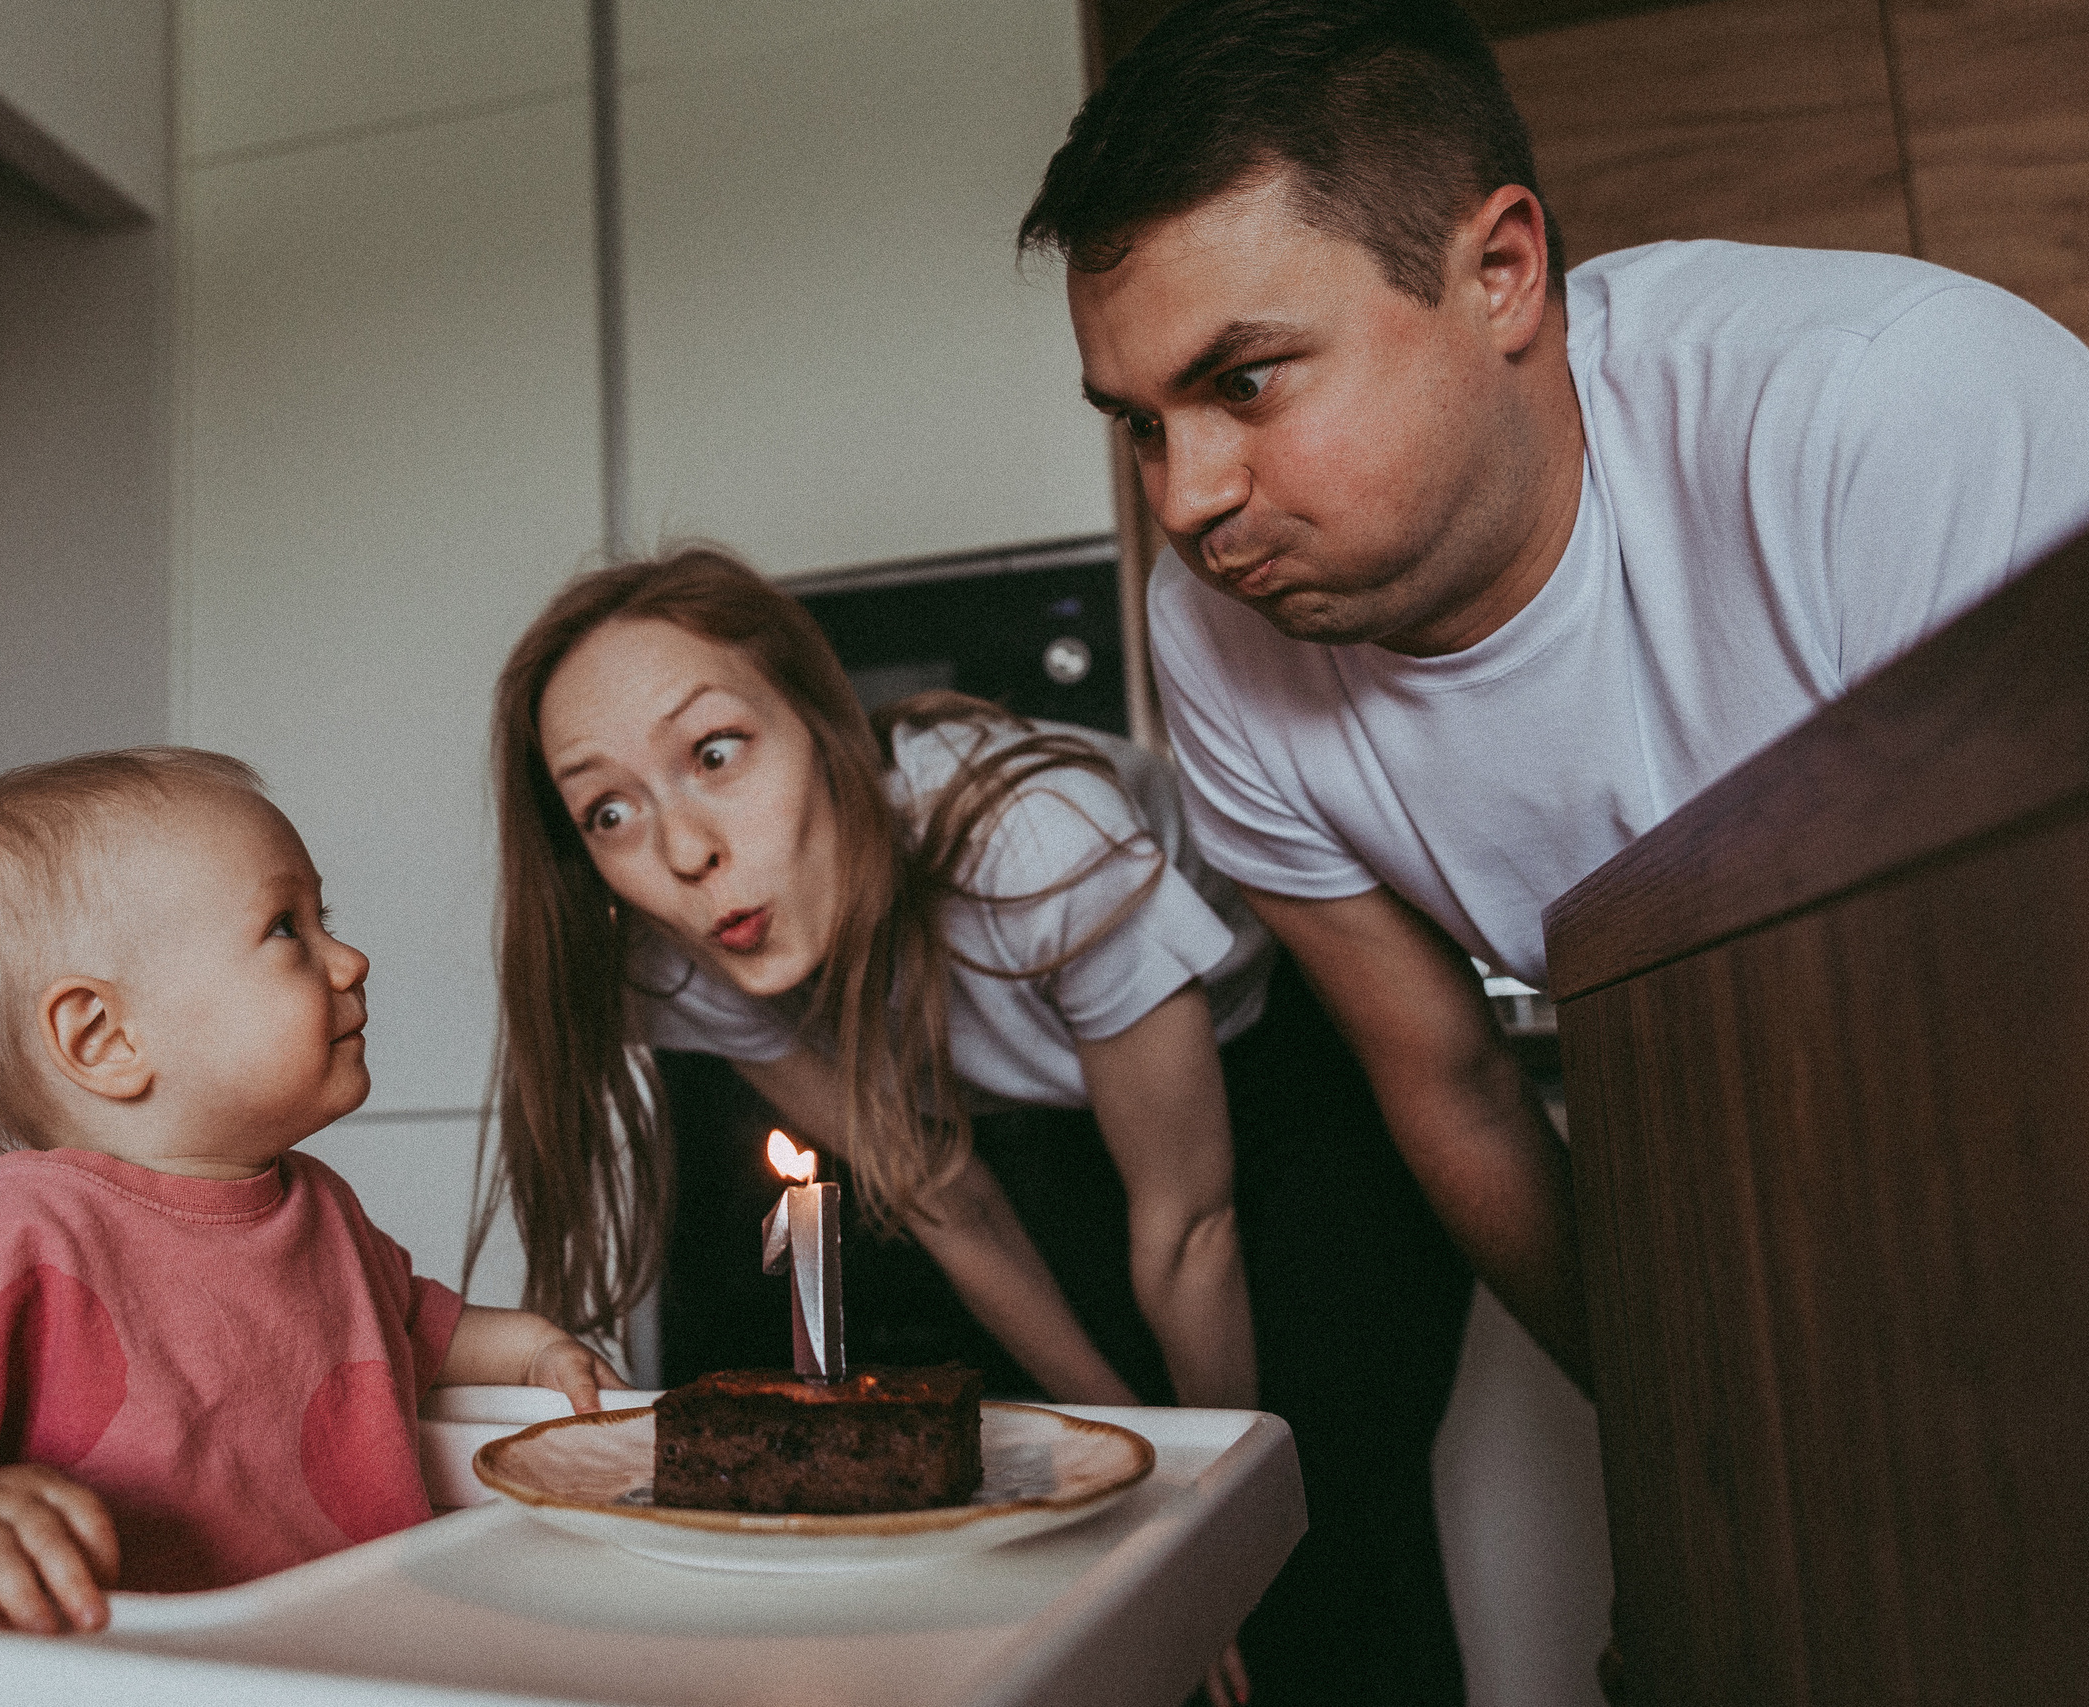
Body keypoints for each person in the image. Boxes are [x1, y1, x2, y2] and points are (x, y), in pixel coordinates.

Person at [1020, 0, 2089, 1404]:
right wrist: (1674, 1435)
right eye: (1143, 421)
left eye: (1247, 379)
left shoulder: (1896, 412)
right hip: (1788, 1249)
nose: (1186, 499)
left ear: (1503, 273)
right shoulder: (1215, 638)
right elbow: (1452, 1087)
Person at [475, 547, 1477, 1703]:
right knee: (1083, 1531)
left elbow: (1189, 1225)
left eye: (714, 753)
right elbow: (943, 1194)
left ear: (824, 719)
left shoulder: (1040, 836)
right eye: (608, 809)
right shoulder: (674, 946)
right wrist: (1140, 1514)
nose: (683, 851)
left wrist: (1201, 1525)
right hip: (1032, 1124)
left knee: (1315, 1520)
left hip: (1279, 1080)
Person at [0, 748, 622, 1632]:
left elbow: (406, 1326)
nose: (349, 961)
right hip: (154, 1676)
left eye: (323, 918)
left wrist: (533, 1347)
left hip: (361, 1651)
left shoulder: (319, 1206)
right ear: (103, 1036)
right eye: (286, 929)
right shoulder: (23, 1236)